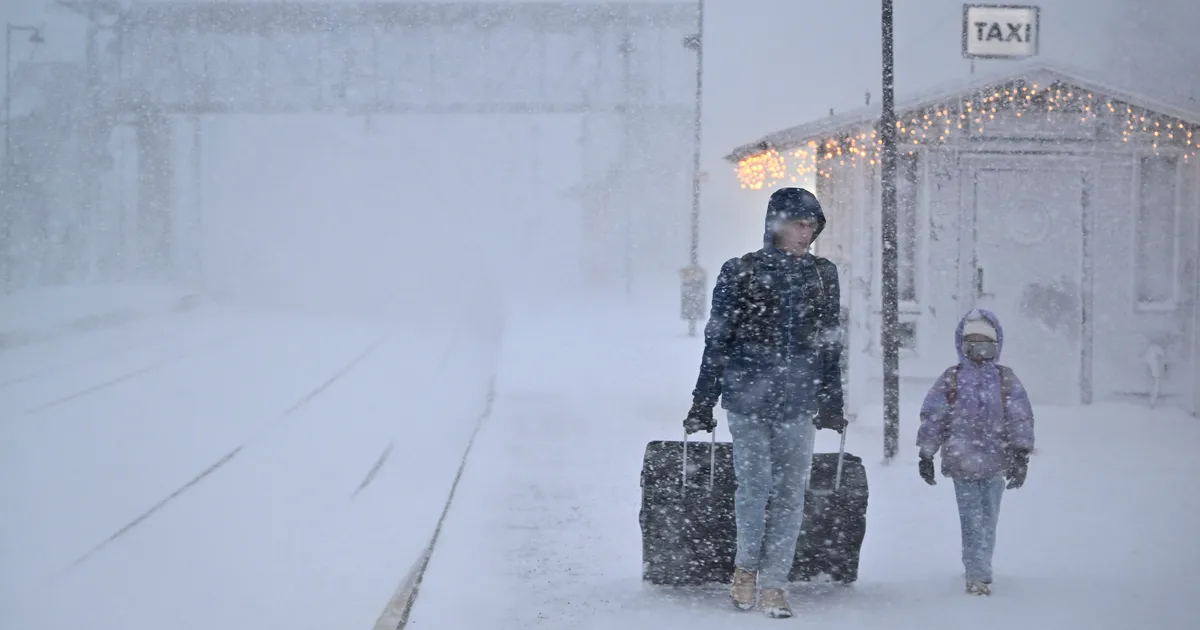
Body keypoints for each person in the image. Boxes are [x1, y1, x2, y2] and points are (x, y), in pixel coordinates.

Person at [685, 187, 847, 618]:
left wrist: (832, 398)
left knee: (792, 493)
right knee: (753, 488)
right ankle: (745, 571)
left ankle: (776, 582)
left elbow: (831, 341)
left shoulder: (822, 275)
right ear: (776, 225)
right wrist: (704, 400)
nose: (806, 234)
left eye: (812, 226)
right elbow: (717, 340)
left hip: (799, 400)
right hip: (747, 399)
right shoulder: (740, 272)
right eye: (799, 224)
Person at [916, 309, 1035, 596]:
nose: (979, 348)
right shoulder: (952, 379)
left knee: (989, 517)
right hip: (962, 462)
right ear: (962, 344)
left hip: (996, 462)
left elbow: (1020, 417)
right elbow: (934, 417)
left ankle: (980, 564)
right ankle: (977, 574)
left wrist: (1020, 455)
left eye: (985, 341)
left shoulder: (1006, 380)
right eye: (972, 341)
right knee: (971, 519)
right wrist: (926, 453)